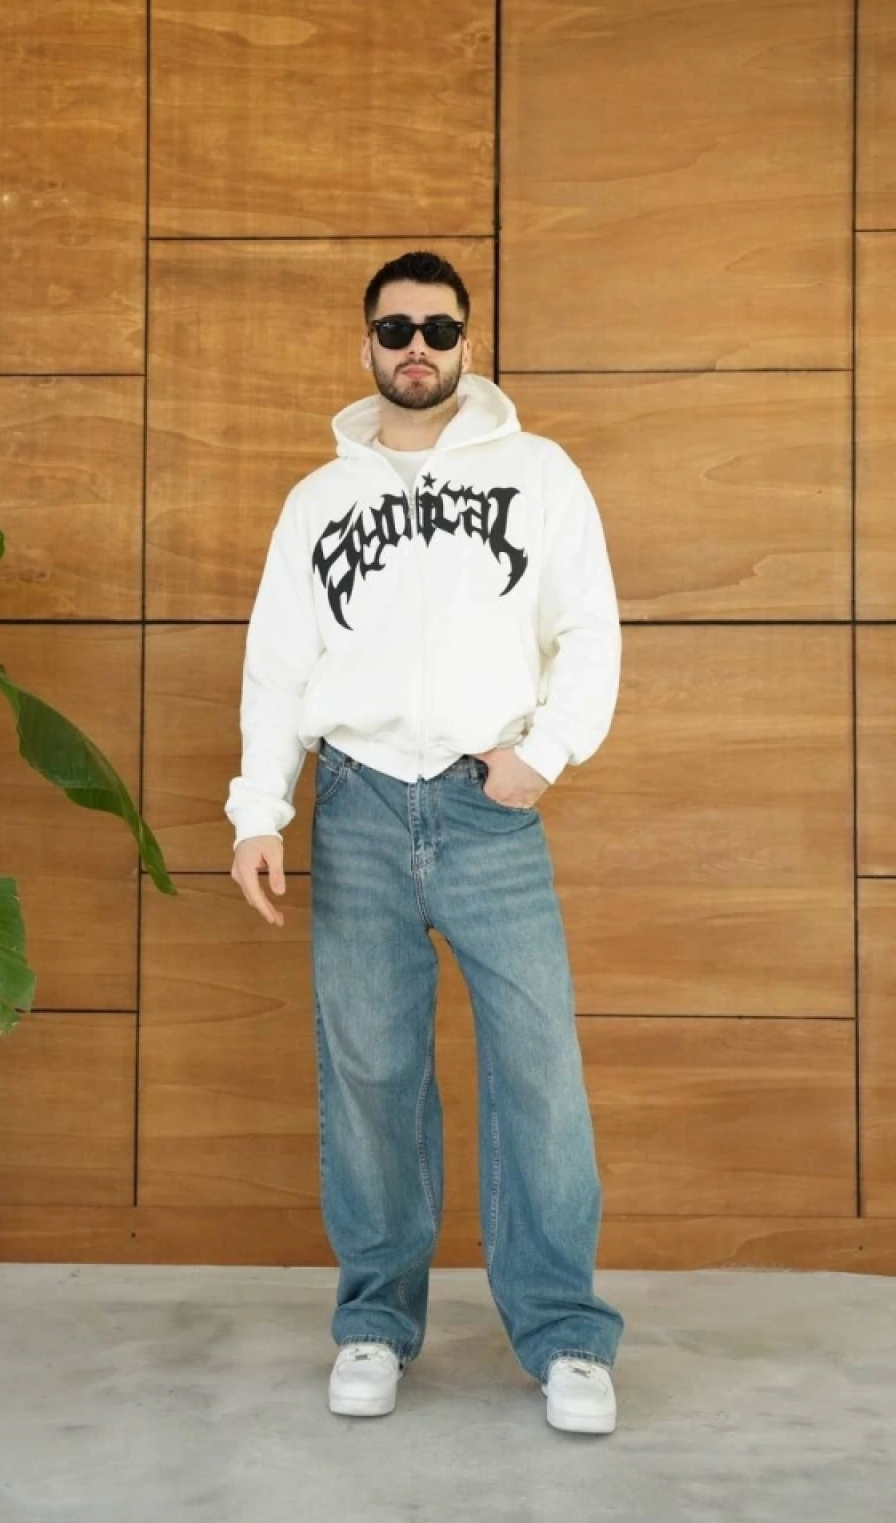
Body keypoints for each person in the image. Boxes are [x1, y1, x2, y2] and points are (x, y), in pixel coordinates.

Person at [226, 249, 624, 1435]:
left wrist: (546, 753)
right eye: (394, 329)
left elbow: (587, 628)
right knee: (370, 1078)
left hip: (485, 811)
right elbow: (277, 663)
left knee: (539, 1074)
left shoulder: (537, 473)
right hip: (355, 804)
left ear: (465, 343)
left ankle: (565, 1337)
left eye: (437, 330)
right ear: (365, 344)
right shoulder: (319, 499)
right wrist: (259, 811)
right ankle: (374, 1323)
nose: (416, 348)